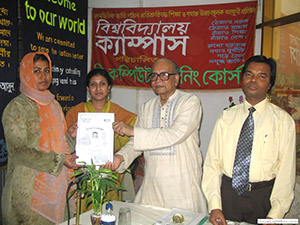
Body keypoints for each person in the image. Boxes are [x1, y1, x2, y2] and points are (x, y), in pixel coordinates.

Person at [103, 58, 208, 213]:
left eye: (164, 75)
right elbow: (136, 143)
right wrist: (120, 157)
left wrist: (132, 130)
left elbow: (174, 134)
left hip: (183, 188)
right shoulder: (147, 107)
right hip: (152, 188)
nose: (158, 80)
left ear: (176, 79)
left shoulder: (190, 102)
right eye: (154, 76)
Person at [202, 55, 296, 224]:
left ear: (269, 84)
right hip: (228, 196)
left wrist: (274, 215)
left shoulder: (282, 121)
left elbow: (286, 174)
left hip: (263, 198)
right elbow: (212, 163)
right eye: (249, 74)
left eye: (262, 76)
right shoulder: (226, 117)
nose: (253, 80)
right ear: (242, 78)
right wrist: (214, 205)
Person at [1, 52, 80, 225]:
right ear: (26, 73)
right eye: (36, 71)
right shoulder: (17, 107)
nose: (43, 76)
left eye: (46, 70)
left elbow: (60, 143)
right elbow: (19, 152)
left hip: (56, 190)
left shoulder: (54, 105)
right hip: (28, 194)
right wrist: (59, 161)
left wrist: (70, 136)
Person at [65, 68, 141, 206]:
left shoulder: (121, 114)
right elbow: (64, 145)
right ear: (88, 88)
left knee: (109, 210)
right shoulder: (75, 113)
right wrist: (70, 136)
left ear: (109, 87)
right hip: (83, 173)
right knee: (84, 212)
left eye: (102, 84)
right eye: (93, 84)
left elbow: (137, 134)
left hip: (110, 172)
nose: (98, 88)